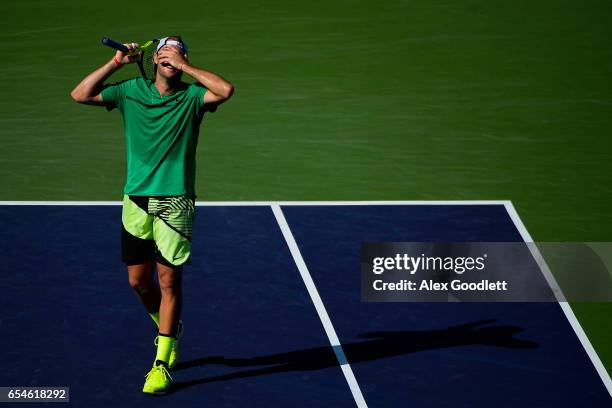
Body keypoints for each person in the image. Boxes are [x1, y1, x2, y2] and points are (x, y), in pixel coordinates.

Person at [70, 36, 234, 395]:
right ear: (154, 58)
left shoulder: (193, 98)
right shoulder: (130, 91)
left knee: (169, 281)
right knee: (138, 282)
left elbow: (225, 90)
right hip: (135, 200)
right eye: (165, 51)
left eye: (178, 51)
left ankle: (161, 363)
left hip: (175, 201)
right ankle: (168, 327)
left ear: (183, 59)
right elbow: (80, 95)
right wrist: (117, 63)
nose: (170, 56)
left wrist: (186, 67)